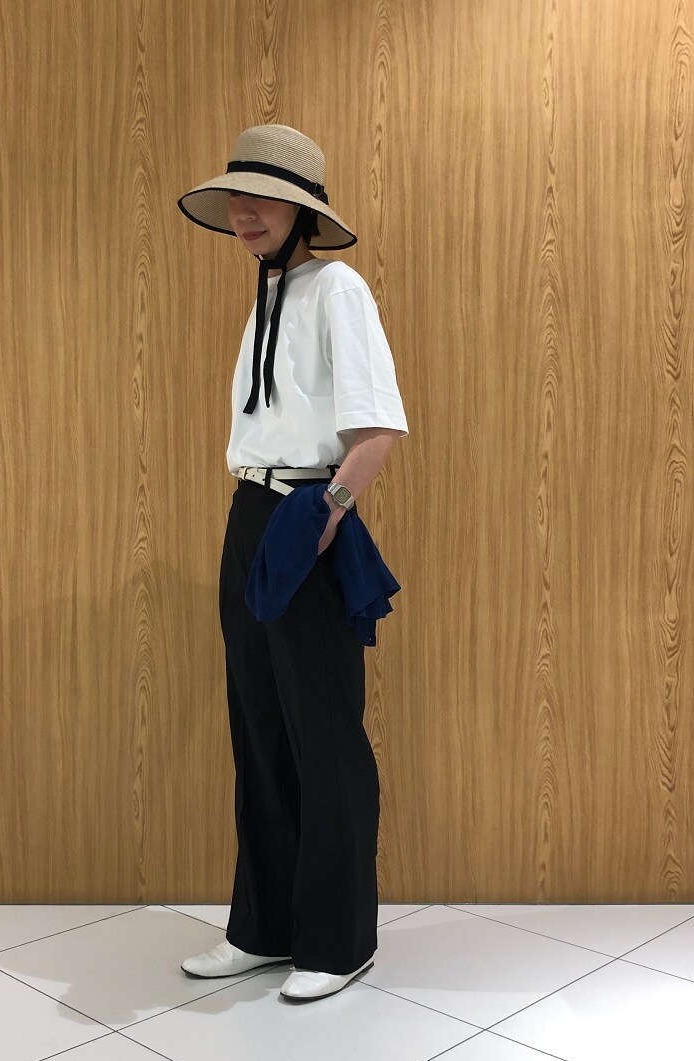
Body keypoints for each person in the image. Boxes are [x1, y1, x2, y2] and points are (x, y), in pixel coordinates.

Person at [176, 123, 409, 1002]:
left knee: (324, 731)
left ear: (303, 211)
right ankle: (265, 928)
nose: (246, 214)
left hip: (306, 514)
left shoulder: (337, 287)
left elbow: (377, 427)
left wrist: (327, 514)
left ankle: (340, 942)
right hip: (250, 511)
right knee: (259, 726)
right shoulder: (269, 292)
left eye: (264, 201)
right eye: (237, 200)